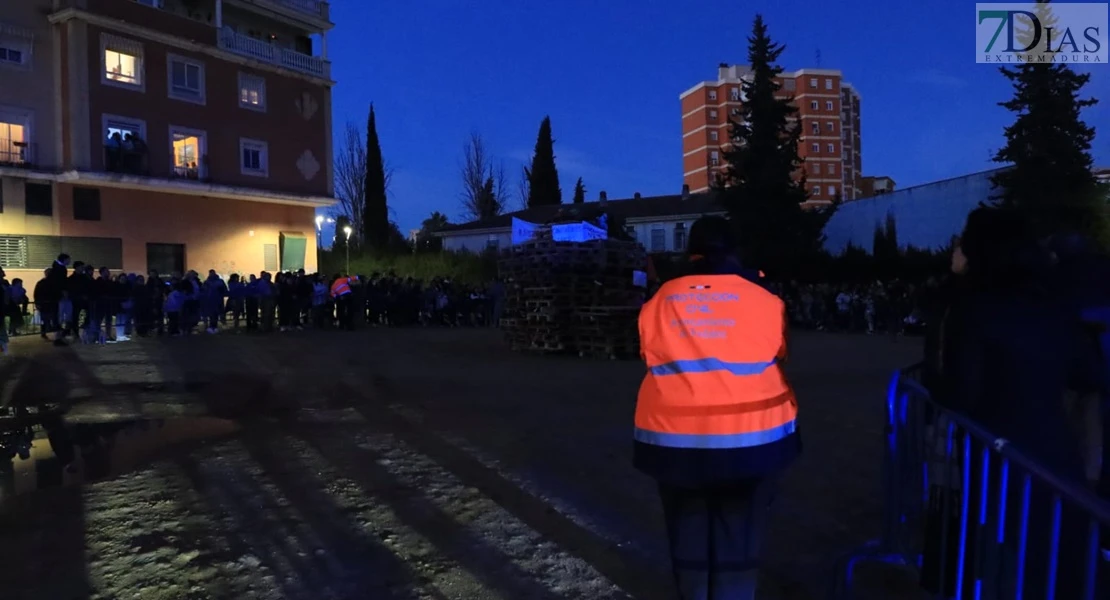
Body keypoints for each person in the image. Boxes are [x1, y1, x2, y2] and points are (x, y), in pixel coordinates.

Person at [929, 207, 1103, 599]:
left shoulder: (974, 310)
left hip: (999, 459)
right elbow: (1087, 373)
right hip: (1056, 455)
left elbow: (959, 392)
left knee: (1005, 564)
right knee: (1056, 566)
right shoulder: (1052, 304)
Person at [632, 215, 800, 600]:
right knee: (737, 544)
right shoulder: (765, 299)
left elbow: (649, 355)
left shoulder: (659, 301)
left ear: (691, 251)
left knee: (687, 538)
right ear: (735, 250)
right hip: (752, 443)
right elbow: (780, 354)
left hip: (673, 444)